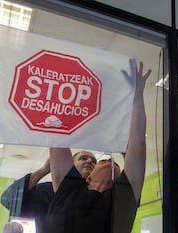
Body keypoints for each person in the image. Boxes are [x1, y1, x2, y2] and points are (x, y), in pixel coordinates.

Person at [45, 59, 151, 233]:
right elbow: (58, 139)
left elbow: (138, 143)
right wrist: (65, 91)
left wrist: (137, 96)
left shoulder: (122, 198)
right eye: (99, 161)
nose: (109, 161)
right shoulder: (70, 190)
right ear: (89, 177)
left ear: (118, 181)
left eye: (112, 164)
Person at [1, 151, 97, 233]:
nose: (89, 161)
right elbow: (10, 199)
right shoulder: (46, 191)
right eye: (83, 158)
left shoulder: (97, 195)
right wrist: (44, 170)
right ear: (70, 165)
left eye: (94, 161)